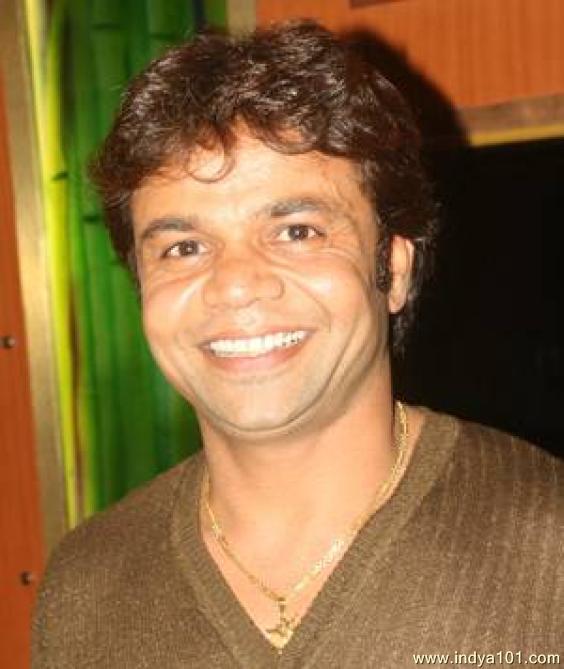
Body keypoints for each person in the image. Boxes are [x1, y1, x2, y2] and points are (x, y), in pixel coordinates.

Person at [32, 20, 563, 668]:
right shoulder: (83, 591)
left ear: (393, 269)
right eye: (185, 247)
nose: (234, 284)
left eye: (298, 232)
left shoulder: (549, 549)